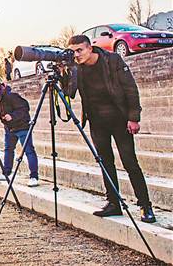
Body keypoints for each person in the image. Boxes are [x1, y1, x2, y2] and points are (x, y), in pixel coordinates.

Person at [64, 35, 155, 223]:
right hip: (96, 122)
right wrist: (64, 73)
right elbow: (69, 93)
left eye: (79, 50)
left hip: (120, 119)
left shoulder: (112, 60)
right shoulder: (76, 68)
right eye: (73, 51)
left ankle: (145, 206)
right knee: (105, 162)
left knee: (130, 162)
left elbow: (130, 88)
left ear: (90, 48)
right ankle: (113, 203)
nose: (76, 55)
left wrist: (133, 118)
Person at [0, 77, 40, 187]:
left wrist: (12, 116)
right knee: (8, 150)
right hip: (9, 128)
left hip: (22, 127)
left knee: (29, 150)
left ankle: (34, 177)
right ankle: (6, 173)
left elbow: (25, 108)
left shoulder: (11, 96)